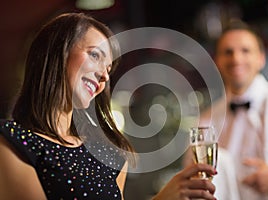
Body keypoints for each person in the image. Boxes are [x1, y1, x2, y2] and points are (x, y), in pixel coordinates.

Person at [0, 12, 217, 200]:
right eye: (95, 55)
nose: (104, 76)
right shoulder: (12, 142)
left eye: (109, 69)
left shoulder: (109, 154)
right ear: (58, 52)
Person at [185, 20, 268, 200]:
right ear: (218, 61)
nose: (236, 59)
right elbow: (192, 182)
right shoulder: (206, 120)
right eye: (228, 52)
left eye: (245, 51)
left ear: (262, 58)